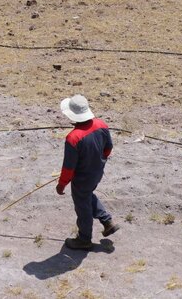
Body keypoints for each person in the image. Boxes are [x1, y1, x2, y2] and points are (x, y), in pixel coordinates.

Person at [56, 94, 119, 250]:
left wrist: (61, 184)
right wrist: (99, 160)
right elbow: (108, 147)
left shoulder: (73, 138)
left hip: (81, 177)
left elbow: (69, 167)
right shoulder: (101, 125)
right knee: (87, 194)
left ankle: (84, 239)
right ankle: (107, 221)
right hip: (97, 172)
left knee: (82, 206)